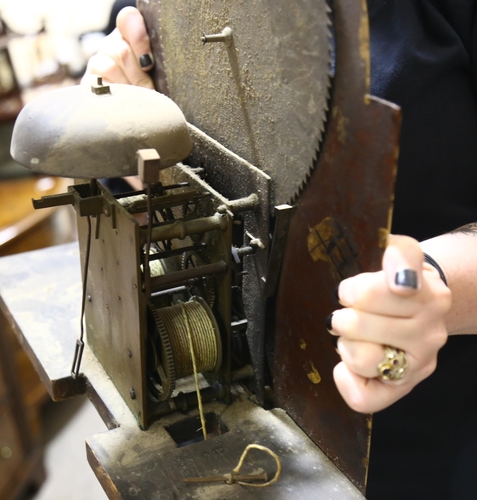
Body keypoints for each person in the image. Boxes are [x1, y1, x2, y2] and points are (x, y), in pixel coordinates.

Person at [82, 4, 477, 498]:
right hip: (210, 391)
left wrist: (439, 283)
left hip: (420, 442)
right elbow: (127, 173)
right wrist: (121, 127)